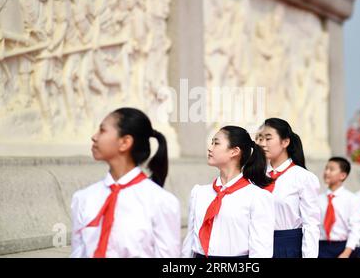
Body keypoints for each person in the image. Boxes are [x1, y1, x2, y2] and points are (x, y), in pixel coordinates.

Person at [70, 107, 180, 258]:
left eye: (102, 130)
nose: (94, 137)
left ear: (125, 142)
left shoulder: (161, 202)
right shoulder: (83, 198)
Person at [182, 126, 275, 258]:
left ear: (234, 151)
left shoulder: (257, 197)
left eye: (216, 143)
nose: (210, 148)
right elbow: (189, 242)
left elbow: (261, 252)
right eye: (211, 143)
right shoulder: (199, 193)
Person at [259, 118, 320, 258]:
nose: (262, 144)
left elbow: (311, 224)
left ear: (285, 142)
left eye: (268, 138)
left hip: (288, 249)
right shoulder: (255, 176)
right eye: (260, 138)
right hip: (258, 246)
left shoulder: (303, 177)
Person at [318, 157, 360, 258]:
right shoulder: (318, 199)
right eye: (326, 168)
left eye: (331, 169)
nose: (326, 172)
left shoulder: (352, 199)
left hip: (343, 247)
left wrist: (346, 253)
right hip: (321, 246)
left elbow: (356, 228)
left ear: (342, 175)